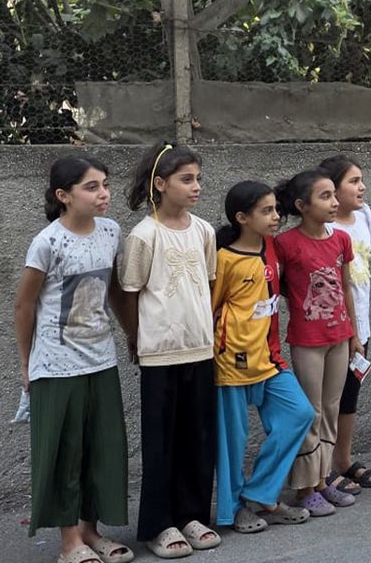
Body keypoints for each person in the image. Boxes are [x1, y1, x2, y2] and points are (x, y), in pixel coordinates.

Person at [14, 156, 132, 563]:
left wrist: (132, 335)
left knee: (102, 450)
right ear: (63, 195)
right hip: (55, 366)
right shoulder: (47, 242)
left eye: (105, 184)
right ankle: (69, 544)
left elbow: (114, 290)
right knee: (65, 454)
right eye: (91, 187)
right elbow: (24, 306)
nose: (103, 194)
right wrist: (26, 365)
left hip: (101, 360)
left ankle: (90, 532)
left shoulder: (111, 232)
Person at [120, 142, 221, 559]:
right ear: (159, 184)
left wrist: (206, 331)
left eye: (198, 179)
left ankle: (193, 515)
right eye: (186, 179)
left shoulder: (204, 231)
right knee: (161, 441)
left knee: (198, 436)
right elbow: (129, 292)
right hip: (160, 353)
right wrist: (135, 336)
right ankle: (158, 524)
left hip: (200, 349)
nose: (196, 186)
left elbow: (210, 284)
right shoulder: (143, 236)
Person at [211, 181, 313, 532]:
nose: (275, 217)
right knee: (233, 444)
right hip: (231, 364)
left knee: (299, 413)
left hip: (269, 360)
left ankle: (260, 495)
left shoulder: (272, 246)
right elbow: (210, 309)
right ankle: (234, 511)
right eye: (266, 211)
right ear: (242, 217)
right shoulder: (224, 259)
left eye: (275, 209)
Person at [273, 169, 362, 516]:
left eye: (334, 195)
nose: (334, 202)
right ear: (302, 205)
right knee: (310, 411)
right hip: (307, 340)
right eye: (325, 196)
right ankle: (304, 487)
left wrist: (354, 333)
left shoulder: (341, 239)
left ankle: (322, 481)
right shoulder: (285, 244)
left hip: (339, 337)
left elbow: (346, 287)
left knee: (331, 408)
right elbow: (277, 286)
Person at [319, 155, 371, 493]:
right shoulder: (325, 228)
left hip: (361, 324)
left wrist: (359, 330)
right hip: (333, 327)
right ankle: (323, 468)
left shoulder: (364, 216)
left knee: (349, 395)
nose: (362, 187)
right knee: (327, 400)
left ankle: (343, 460)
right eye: (353, 181)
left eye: (362, 180)